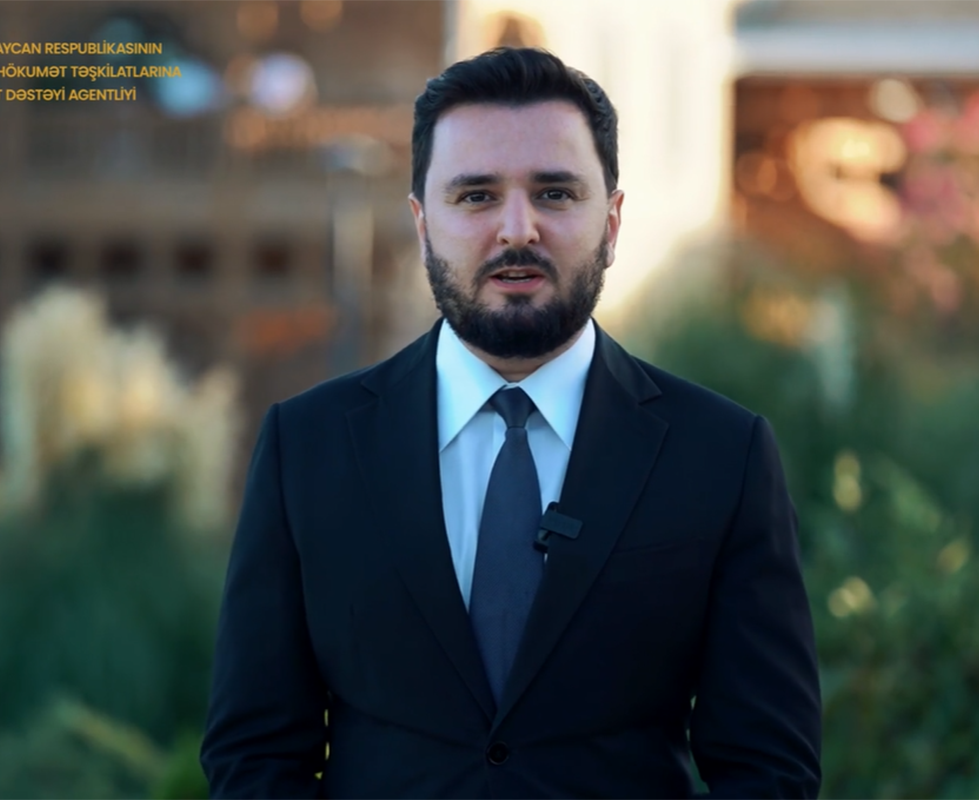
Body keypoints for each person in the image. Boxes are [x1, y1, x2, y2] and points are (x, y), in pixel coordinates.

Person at [200, 46, 821, 800]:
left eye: (555, 193)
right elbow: (255, 755)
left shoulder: (721, 455)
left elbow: (768, 769)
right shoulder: (308, 448)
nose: (517, 229)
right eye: (476, 196)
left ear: (612, 221)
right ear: (422, 225)